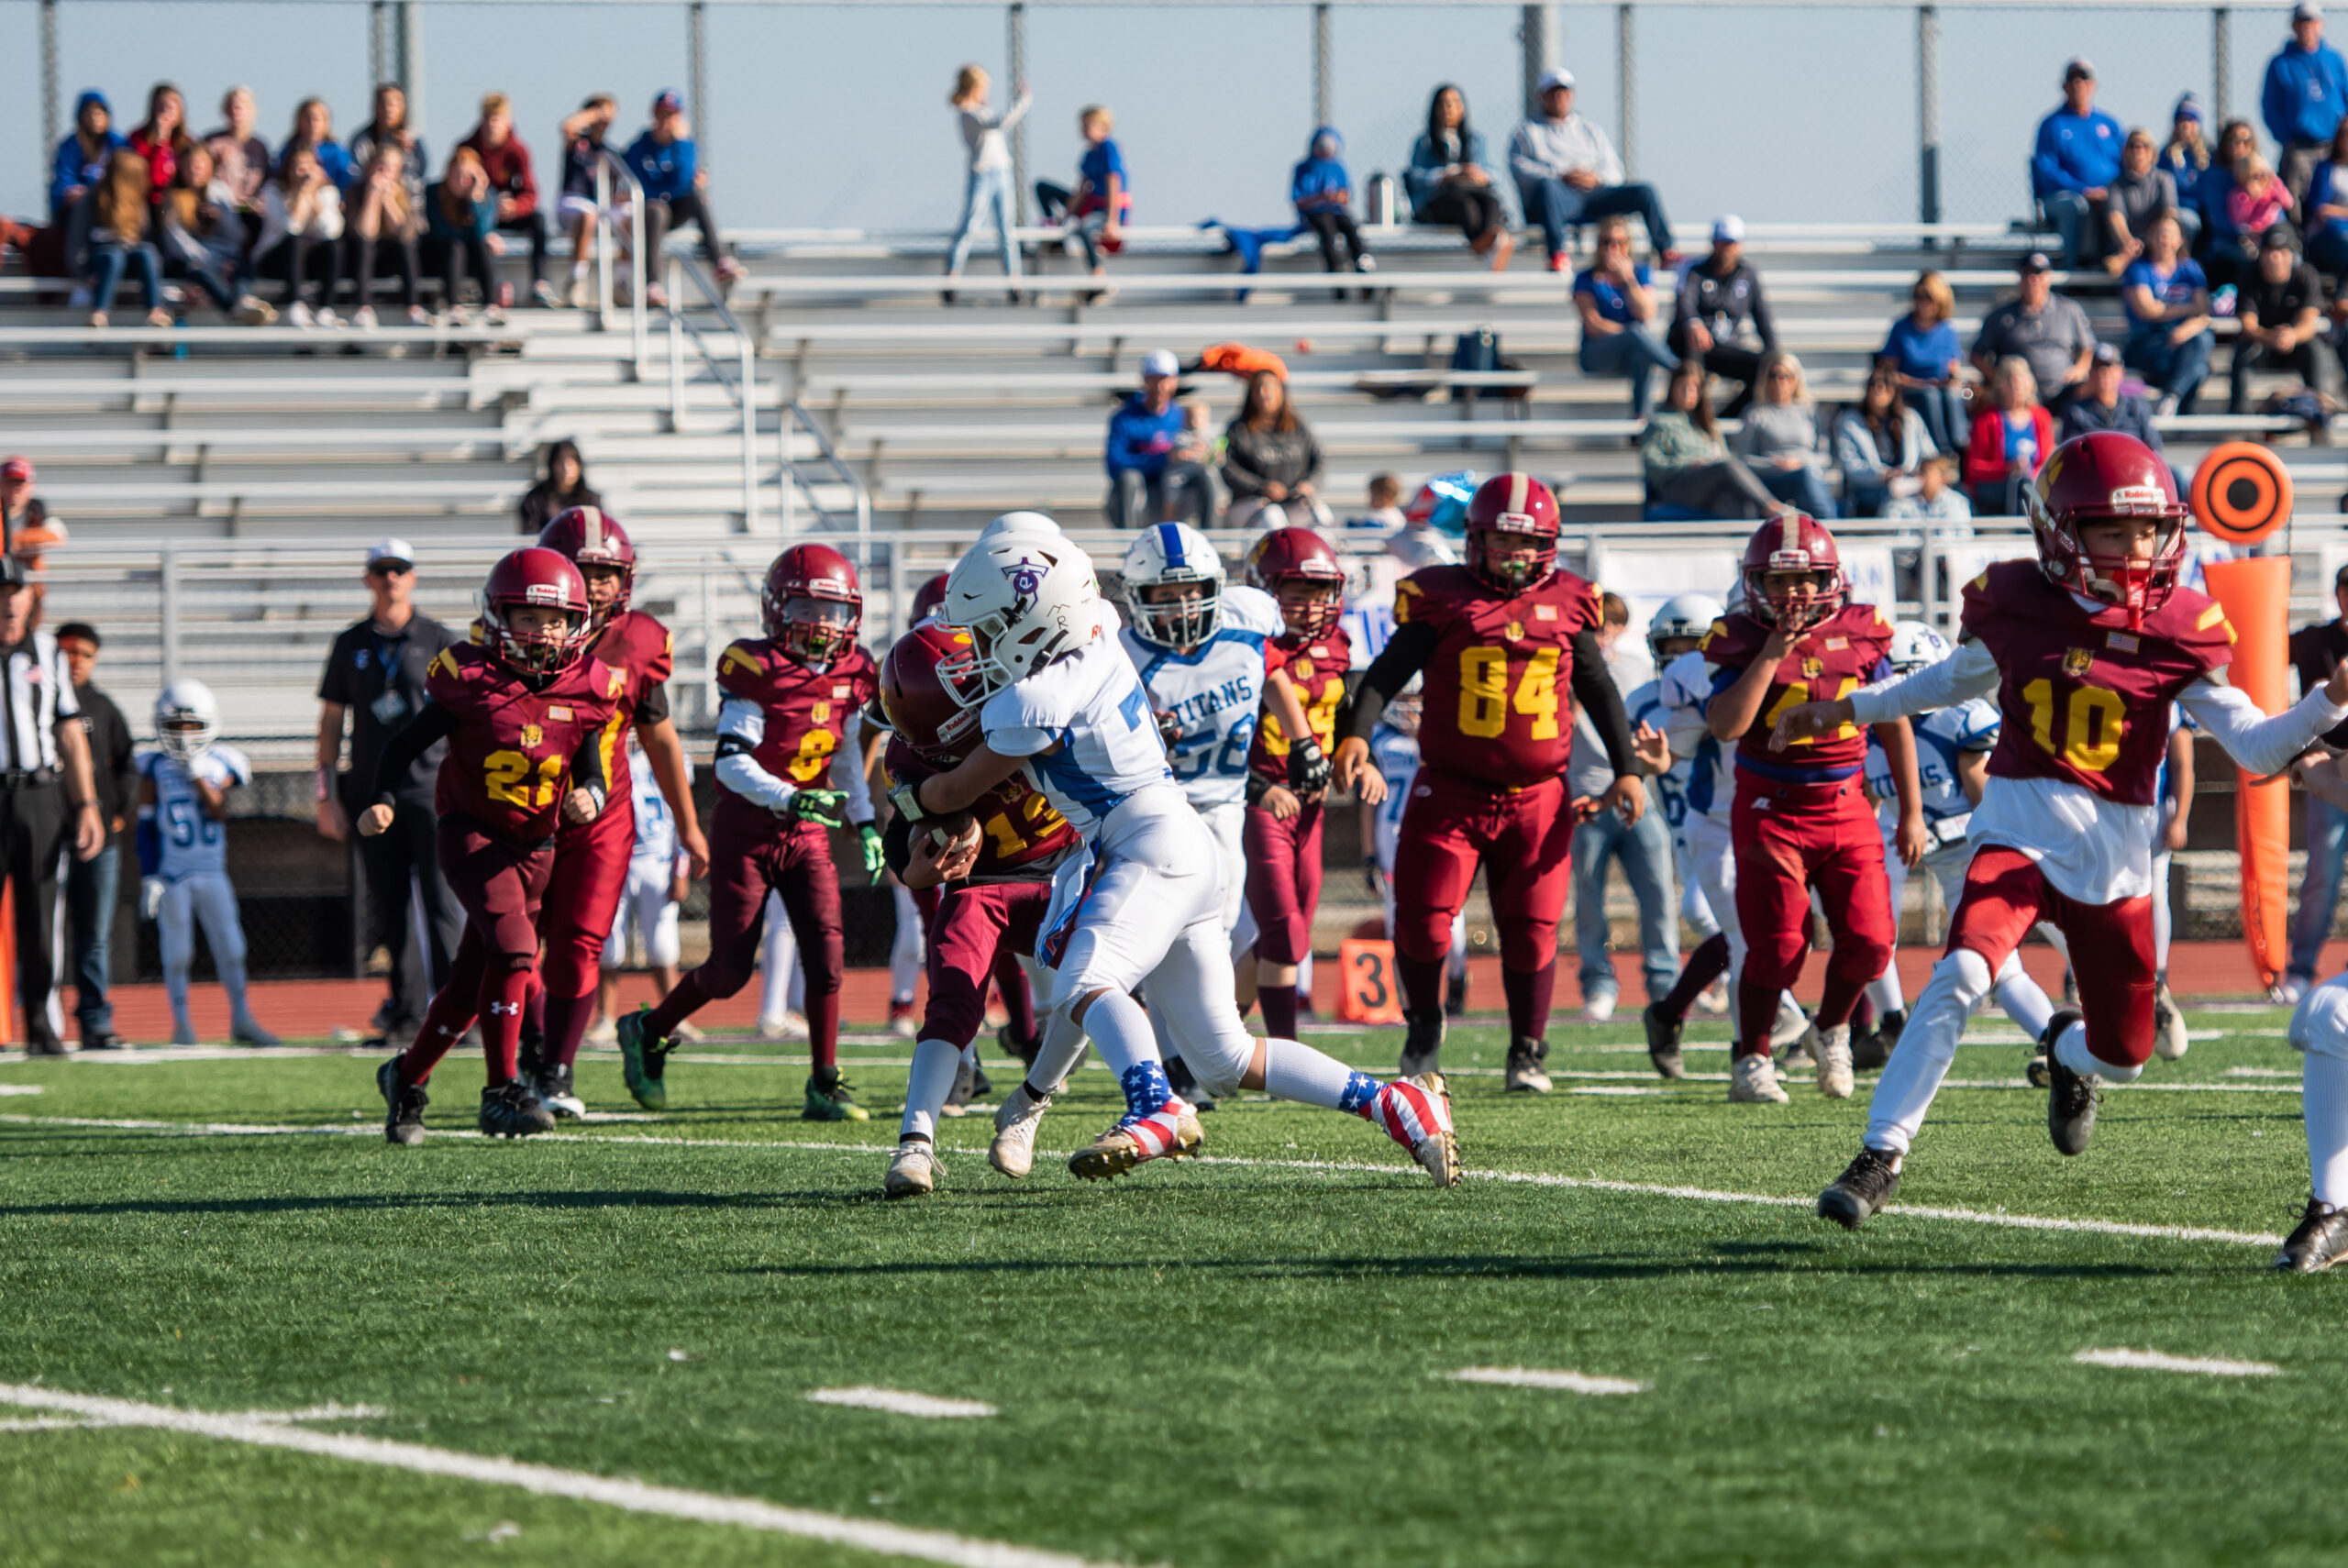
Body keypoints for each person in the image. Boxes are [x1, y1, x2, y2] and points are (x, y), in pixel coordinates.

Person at [1782, 433, 2348, 1233]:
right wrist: (1851, 709)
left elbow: (2256, 745)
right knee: (1963, 974)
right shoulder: (2015, 601)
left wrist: (2328, 699)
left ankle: (2069, 1059)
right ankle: (1880, 1155)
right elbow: (1950, 682)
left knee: (2126, 1053)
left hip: (2117, 855)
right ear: (2059, 532)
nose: (2134, 549)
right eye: (2112, 532)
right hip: (2017, 821)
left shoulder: (2181, 624)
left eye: (2148, 530)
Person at [897, 525, 1459, 1187]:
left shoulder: (1034, 699)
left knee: (1084, 984)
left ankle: (1155, 1104)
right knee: (1224, 1056)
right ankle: (1395, 1100)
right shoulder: (1098, 628)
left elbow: (956, 788)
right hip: (1182, 844)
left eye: (991, 629)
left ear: (1034, 621)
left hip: (1145, 847)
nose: (984, 648)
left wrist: (910, 797)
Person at [1333, 473, 1645, 1094]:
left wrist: (1629, 768)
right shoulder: (1442, 596)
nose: (1514, 555)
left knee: (1531, 928)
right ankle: (1424, 1028)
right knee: (1421, 921)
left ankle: (1527, 1049)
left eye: (1526, 543)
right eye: (1502, 541)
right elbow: (1388, 671)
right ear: (1475, 540)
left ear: (1548, 546)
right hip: (1450, 789)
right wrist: (1357, 733)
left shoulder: (1569, 599)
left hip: (1538, 795)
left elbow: (1598, 690)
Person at [615, 545, 880, 1121]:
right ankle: (650, 1028)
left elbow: (844, 765)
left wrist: (864, 821)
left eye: (834, 611)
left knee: (827, 958)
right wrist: (792, 795)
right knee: (729, 969)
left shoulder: (855, 672)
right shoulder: (755, 666)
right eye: (809, 606)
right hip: (749, 829)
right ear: (777, 609)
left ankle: (825, 1082)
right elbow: (732, 763)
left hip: (807, 830)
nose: (822, 623)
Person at [366, 547, 618, 1143]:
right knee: (514, 949)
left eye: (553, 620)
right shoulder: (468, 676)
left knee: (467, 987)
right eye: (527, 617)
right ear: (499, 618)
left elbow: (591, 768)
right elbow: (400, 748)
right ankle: (502, 1089)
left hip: (538, 845)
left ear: (575, 624)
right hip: (473, 835)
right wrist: (383, 798)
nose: (541, 631)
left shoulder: (587, 685)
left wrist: (592, 795)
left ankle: (405, 1078)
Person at [1698, 516, 1922, 1104]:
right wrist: (1772, 654)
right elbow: (1726, 726)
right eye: (1778, 579)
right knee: (1778, 947)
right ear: (1756, 582)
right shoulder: (1740, 635)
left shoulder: (1862, 629)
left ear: (1832, 579)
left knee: (1874, 941)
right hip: (1771, 807)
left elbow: (1894, 719)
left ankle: (1832, 1029)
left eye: (1806, 580)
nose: (1793, 593)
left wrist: (1912, 811)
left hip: (1847, 803)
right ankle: (1752, 1056)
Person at [870, 622, 1081, 1196]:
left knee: (1104, 984)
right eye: (970, 684)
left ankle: (1030, 1104)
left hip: (1066, 867)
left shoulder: (1035, 702)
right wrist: (924, 867)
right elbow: (903, 858)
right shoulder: (911, 760)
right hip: (982, 885)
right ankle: (915, 1143)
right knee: (952, 1004)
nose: (993, 685)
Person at [523, 507, 706, 1119]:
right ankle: (526, 1050)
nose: (597, 582)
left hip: (606, 811)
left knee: (580, 946)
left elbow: (659, 736)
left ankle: (558, 1068)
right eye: (584, 568)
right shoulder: (518, 630)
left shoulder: (640, 639)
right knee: (516, 942)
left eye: (607, 571)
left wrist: (689, 825)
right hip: (526, 805)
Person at [1855, 623, 2065, 1074]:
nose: (1901, 692)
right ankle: (2055, 1040)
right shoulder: (1873, 735)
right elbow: (1872, 802)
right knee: (1992, 968)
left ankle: (2103, 1018)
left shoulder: (1959, 719)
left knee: (2042, 945)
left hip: (1986, 855)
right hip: (1941, 861)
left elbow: (1990, 803)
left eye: (1909, 678)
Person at [1118, 520, 1312, 991]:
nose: (1182, 605)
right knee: (1156, 931)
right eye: (1165, 596)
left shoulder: (1244, 628)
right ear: (1140, 598)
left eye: (1191, 591)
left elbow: (1272, 672)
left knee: (1222, 926)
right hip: (1154, 810)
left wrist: (1303, 740)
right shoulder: (1120, 656)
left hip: (1224, 804)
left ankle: (1196, 1047)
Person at [316, 539, 461, 1049]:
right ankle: (405, 1012)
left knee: (445, 904)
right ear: (368, 578)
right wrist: (325, 793)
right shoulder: (349, 642)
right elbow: (332, 720)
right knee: (390, 906)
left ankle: (457, 1012)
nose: (391, 578)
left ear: (413, 577)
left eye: (399, 569)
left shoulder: (440, 638)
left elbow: (463, 714)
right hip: (370, 793)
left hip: (433, 789)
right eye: (382, 570)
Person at [1238, 528, 1350, 1043]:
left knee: (1281, 935)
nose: (1309, 606)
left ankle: (1217, 1040)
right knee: (1283, 931)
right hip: (1259, 802)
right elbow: (1221, 740)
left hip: (1310, 806)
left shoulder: (1337, 645)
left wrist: (1357, 754)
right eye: (1295, 593)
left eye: (1318, 592)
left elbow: (1345, 715)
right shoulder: (1242, 650)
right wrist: (1260, 786)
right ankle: (1286, 1054)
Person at [0, 558, 106, 1054]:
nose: (7, 599)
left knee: (40, 916)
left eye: (14, 590)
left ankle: (42, 1028)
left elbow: (69, 733)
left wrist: (86, 803)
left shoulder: (46, 651)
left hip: (38, 795)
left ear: (29, 596)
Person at [135, 679, 274, 1048]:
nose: (182, 735)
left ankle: (242, 1018)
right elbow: (145, 824)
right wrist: (150, 874)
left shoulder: (221, 761)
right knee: (177, 953)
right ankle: (181, 1025)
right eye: (174, 726)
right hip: (172, 874)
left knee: (232, 946)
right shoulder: (153, 766)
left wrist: (197, 774)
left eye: (191, 725)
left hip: (212, 869)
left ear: (208, 724)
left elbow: (218, 811)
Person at [1567, 591, 1675, 1024]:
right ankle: (1599, 984)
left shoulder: (1636, 669)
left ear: (1622, 629)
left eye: (1610, 625)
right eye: (1593, 627)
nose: (1602, 634)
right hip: (1586, 800)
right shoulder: (1563, 670)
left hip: (1637, 798)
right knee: (1589, 901)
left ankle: (1666, 986)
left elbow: (1652, 738)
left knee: (1659, 897)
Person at [1363, 678, 1470, 1016]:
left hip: (1438, 827)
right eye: (1404, 697)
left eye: (1416, 698)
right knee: (1397, 915)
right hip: (1392, 833)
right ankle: (1408, 997)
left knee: (1451, 911)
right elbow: (1366, 799)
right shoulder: (1377, 736)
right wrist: (1369, 853)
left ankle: (1456, 977)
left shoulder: (1446, 732)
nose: (1410, 706)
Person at [55, 624, 132, 1051]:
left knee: (94, 933)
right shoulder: (40, 699)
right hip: (48, 833)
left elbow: (127, 762)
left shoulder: (102, 707)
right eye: (67, 652)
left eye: (83, 653)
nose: (75, 661)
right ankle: (35, 1017)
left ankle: (95, 1019)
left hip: (97, 839)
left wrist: (117, 810)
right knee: (43, 931)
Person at [595, 731, 692, 1041]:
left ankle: (675, 1015)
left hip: (657, 860)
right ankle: (604, 1018)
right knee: (609, 947)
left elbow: (683, 816)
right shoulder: (605, 753)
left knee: (663, 946)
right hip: (614, 860)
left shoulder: (673, 756)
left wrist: (682, 868)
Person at [2282, 564, 2348, 1008]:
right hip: (2329, 766)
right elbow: (2264, 650)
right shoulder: (2312, 639)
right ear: (2337, 593)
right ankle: (2301, 969)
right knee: (2322, 874)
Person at [624, 90, 742, 293]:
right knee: (656, 210)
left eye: (671, 114)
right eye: (662, 114)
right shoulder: (638, 147)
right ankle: (652, 283)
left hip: (676, 208)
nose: (666, 120)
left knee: (696, 198)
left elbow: (685, 182)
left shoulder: (685, 145)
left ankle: (719, 261)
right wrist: (664, 192)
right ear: (653, 114)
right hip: (649, 213)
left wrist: (680, 142)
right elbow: (641, 186)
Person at [1642, 362, 1781, 520]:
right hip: (1676, 487)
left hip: (1709, 488)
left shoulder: (1708, 427)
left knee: (1741, 505)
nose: (1688, 392)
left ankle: (1747, 540)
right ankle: (1772, 507)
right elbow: (1652, 464)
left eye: (1693, 388)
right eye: (1683, 386)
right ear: (1672, 388)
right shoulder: (1660, 422)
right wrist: (1688, 464)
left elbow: (1723, 457)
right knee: (1727, 466)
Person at [1666, 216, 1774, 414]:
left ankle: (1723, 419)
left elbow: (1762, 317)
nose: (1726, 248)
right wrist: (1694, 324)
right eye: (1721, 242)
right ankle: (1686, 416)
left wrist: (1774, 354)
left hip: (1725, 346)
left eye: (1731, 243)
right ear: (1713, 243)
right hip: (1692, 344)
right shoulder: (1695, 269)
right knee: (1692, 352)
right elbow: (1685, 302)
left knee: (1767, 367)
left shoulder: (1748, 275)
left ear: (1740, 245)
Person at [1574, 216, 1677, 419]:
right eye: (1606, 242)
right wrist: (1630, 335)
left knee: (1643, 356)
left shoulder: (1640, 273)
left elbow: (1646, 313)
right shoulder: (1585, 278)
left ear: (1628, 245)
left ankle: (1640, 424)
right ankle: (1679, 370)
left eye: (1619, 243)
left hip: (1630, 354)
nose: (1613, 248)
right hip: (1596, 352)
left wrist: (1628, 280)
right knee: (1638, 336)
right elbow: (1593, 324)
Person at [460, 93, 553, 307]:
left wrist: (515, 207)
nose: (492, 125)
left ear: (508, 122)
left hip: (505, 213)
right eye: (488, 119)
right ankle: (473, 284)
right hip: (477, 213)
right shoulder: (467, 148)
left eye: (497, 119)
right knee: (464, 225)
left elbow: (531, 192)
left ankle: (540, 283)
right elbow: (455, 191)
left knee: (538, 220)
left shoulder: (518, 151)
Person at [1970, 250, 2096, 411]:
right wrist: (2001, 379)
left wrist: (2079, 368)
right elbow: (1977, 356)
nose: (2033, 279)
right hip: (2019, 397)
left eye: (2038, 273)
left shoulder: (2069, 310)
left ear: (2049, 276)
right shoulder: (2002, 316)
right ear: (2020, 278)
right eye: (2027, 273)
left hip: (2062, 389)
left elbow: (2088, 347)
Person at [1405, 84, 1512, 270]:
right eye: (1444, 104)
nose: (1449, 109)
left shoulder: (1475, 141)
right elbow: (1415, 176)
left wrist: (1479, 174)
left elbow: (1495, 174)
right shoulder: (1424, 143)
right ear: (1434, 109)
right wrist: (1447, 175)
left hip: (1474, 191)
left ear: (1462, 108)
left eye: (1454, 103)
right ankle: (1490, 245)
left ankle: (1488, 243)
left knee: (1491, 202)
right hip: (1439, 199)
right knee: (1466, 206)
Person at [945, 65, 1029, 297]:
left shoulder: (982, 110)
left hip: (1001, 172)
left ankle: (1014, 282)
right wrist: (1022, 102)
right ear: (973, 88)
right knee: (971, 224)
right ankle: (952, 277)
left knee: (1006, 228)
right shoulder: (968, 113)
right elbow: (999, 123)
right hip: (982, 174)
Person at [2120, 209, 2214, 414]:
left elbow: (2203, 311)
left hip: (2181, 343)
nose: (2164, 239)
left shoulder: (2190, 269)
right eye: (2159, 233)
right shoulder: (2139, 269)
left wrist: (2185, 330)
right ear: (2150, 237)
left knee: (2202, 342)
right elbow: (2148, 310)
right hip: (2147, 342)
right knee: (2199, 368)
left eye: (2170, 233)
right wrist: (2188, 309)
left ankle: (2172, 397)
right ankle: (2181, 413)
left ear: (2180, 239)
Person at [2032, 58, 2125, 266]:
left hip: (2109, 195)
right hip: (2065, 197)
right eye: (2073, 80)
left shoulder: (2110, 124)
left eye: (2084, 79)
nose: (2079, 85)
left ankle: (2121, 271)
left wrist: (2112, 191)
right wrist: (2084, 190)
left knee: (2126, 203)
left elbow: (2125, 164)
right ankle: (2074, 271)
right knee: (2076, 206)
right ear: (2064, 86)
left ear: (2094, 85)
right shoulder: (2052, 125)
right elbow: (2046, 170)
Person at [1103, 350, 1211, 530]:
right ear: (1145, 380)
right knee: (1129, 479)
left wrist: (1199, 453)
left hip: (1175, 493)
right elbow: (1115, 464)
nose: (1161, 386)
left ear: (1175, 381)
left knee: (1205, 478)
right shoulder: (1124, 418)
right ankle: (1127, 544)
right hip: (1141, 495)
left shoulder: (1182, 416)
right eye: (1155, 379)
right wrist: (1164, 459)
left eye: (1166, 379)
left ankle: (1210, 543)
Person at [1222, 370, 1331, 531]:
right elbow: (1226, 467)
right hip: (1252, 504)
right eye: (1257, 388)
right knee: (1272, 518)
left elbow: (1319, 460)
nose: (1262, 393)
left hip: (1291, 502)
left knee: (1320, 514)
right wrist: (1260, 487)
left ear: (1281, 391)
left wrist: (1309, 484)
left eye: (1268, 387)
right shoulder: (1237, 429)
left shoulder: (1298, 427)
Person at [1733, 351, 1837, 519]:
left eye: (1785, 376)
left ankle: (1825, 527)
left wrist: (1799, 463)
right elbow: (1743, 460)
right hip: (1771, 480)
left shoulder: (1811, 411)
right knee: (1807, 479)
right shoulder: (1756, 413)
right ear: (1765, 379)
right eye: (1773, 376)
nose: (1779, 382)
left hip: (1806, 473)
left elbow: (1825, 457)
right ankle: (1829, 527)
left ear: (1795, 379)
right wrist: (1774, 463)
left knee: (1809, 476)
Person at [2232, 228, 2325, 412]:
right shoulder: (2249, 275)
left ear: (2291, 255)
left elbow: (2308, 322)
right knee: (2244, 351)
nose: (2275, 258)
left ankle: (2318, 410)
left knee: (2314, 349)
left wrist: (2291, 336)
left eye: (2281, 252)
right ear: (2261, 254)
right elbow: (2248, 325)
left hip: (2296, 343)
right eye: (2269, 251)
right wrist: (2271, 337)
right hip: (2262, 343)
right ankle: (2238, 412)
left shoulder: (2306, 274)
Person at [2265, 0, 2348, 208]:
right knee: (2295, 200)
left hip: (2333, 146)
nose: (2307, 26)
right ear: (2293, 25)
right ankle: (2297, 239)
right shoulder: (2282, 63)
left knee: (2331, 198)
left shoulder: (2334, 59)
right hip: (2299, 146)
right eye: (2302, 21)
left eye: (2311, 21)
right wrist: (2285, 137)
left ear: (2321, 24)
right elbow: (2270, 105)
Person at [1033, 105, 1127, 279]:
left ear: (1102, 126)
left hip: (1105, 209)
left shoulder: (1109, 147)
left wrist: (1113, 220)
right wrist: (1064, 218)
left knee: (1084, 228)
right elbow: (1082, 190)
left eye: (1087, 125)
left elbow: (1114, 183)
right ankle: (1055, 239)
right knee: (1042, 187)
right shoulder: (1088, 154)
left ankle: (1097, 273)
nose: (1082, 129)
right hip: (1089, 205)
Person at [254, 144, 344, 327]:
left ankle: (325, 308)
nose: (302, 172)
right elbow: (291, 228)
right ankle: (296, 305)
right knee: (295, 241)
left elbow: (330, 231)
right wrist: (302, 193)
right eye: (297, 166)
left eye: (307, 166)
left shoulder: (328, 192)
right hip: (275, 259)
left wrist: (314, 198)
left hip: (308, 262)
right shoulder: (273, 191)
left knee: (334, 247)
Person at [1881, 271, 1969, 457]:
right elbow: (1888, 374)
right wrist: (1920, 383)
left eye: (1927, 297)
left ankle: (1960, 445)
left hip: (1940, 391)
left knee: (1952, 395)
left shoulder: (1947, 331)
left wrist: (1950, 382)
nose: (1921, 302)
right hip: (1911, 390)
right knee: (1930, 395)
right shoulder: (1901, 329)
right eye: (1917, 296)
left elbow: (1953, 371)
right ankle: (1940, 450)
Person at [1834, 360, 1934, 517]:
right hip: (1869, 488)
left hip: (1909, 484)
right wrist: (1883, 475)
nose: (1879, 390)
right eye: (1874, 384)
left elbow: (1929, 455)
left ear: (1895, 390)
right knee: (1895, 496)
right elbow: (1851, 467)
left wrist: (1918, 474)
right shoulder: (1849, 422)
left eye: (1886, 385)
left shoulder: (1910, 419)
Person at [82, 151, 170, 330]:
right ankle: (99, 313)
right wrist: (83, 273)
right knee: (114, 255)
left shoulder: (142, 205)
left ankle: (155, 312)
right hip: (103, 258)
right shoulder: (93, 199)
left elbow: (148, 238)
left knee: (146, 252)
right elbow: (77, 242)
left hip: (131, 256)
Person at [1963, 356, 2056, 515]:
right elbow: (1975, 468)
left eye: (2021, 379)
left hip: (2033, 484)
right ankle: (2024, 535)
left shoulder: (2041, 417)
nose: (2017, 385)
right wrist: (2008, 469)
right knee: (2023, 487)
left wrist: (2032, 473)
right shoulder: (1987, 419)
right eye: (2011, 380)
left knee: (2030, 486)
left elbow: (2047, 461)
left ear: (2030, 384)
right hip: (1995, 486)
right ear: (2000, 385)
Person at [345, 142, 424, 328]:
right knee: (365, 247)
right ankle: (364, 308)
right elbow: (365, 234)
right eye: (380, 165)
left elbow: (405, 234)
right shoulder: (355, 192)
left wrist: (388, 200)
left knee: (407, 248)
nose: (384, 171)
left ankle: (414, 307)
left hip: (393, 260)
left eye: (390, 167)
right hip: (361, 259)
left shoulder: (406, 192)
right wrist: (373, 195)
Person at [555, 95, 619, 308]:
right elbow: (567, 127)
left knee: (630, 214)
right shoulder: (578, 142)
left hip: (602, 207)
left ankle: (625, 282)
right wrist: (596, 112)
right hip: (573, 201)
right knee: (588, 213)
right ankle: (576, 280)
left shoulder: (611, 153)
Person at [427, 146, 503, 316]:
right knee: (456, 246)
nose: (462, 181)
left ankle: (490, 305)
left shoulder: (487, 196)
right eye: (457, 175)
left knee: (481, 247)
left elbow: (481, 234)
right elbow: (440, 232)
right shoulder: (434, 192)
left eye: (468, 177)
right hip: (440, 257)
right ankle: (453, 305)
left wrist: (474, 200)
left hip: (472, 259)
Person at [1292, 126, 1371, 282]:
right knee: (1327, 231)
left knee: (1350, 227)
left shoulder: (1337, 168)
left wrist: (1335, 198)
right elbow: (1299, 200)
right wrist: (1321, 197)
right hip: (1316, 214)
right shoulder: (1303, 169)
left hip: (1336, 212)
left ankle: (1362, 263)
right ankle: (1335, 270)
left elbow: (1345, 197)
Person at [2104, 127, 2187, 271]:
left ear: (2153, 154)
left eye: (2145, 146)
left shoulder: (2165, 179)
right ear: (2125, 152)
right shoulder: (2116, 185)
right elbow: (2115, 217)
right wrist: (2129, 242)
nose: (2139, 150)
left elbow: (2169, 214)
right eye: (2133, 146)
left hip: (2159, 242)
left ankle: (2182, 265)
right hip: (2129, 244)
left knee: (2187, 220)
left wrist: (2152, 241)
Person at [2061, 341, 2164, 451]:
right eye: (2098, 367)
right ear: (2091, 374)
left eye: (2110, 366)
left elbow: (2155, 449)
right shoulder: (2077, 413)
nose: (2105, 372)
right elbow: (2070, 453)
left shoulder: (2138, 407)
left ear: (2121, 372)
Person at [203, 86, 270, 255]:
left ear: (252, 110)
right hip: (221, 207)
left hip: (247, 208)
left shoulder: (259, 146)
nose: (236, 111)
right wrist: (215, 163)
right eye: (231, 106)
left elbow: (268, 181)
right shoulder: (211, 141)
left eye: (241, 106)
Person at [346, 83, 427, 216]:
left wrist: (407, 152)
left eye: (394, 104)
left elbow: (419, 174)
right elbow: (356, 172)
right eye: (383, 103)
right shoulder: (362, 140)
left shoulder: (413, 140)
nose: (388, 109)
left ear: (403, 107)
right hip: (370, 195)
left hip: (404, 198)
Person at [51, 90, 122, 222]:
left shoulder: (118, 144)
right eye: (89, 113)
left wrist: (97, 192)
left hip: (112, 205)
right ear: (80, 117)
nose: (94, 118)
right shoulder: (70, 146)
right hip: (78, 209)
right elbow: (63, 181)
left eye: (99, 113)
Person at [517, 439, 604, 535]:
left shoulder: (591, 499)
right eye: (560, 462)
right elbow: (530, 537)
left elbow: (599, 533)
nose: (566, 468)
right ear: (552, 465)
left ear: (579, 466)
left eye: (571, 462)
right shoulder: (535, 500)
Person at [126, 83, 189, 206]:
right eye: (162, 104)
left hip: (178, 202)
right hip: (145, 200)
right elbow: (154, 178)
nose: (168, 109)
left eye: (174, 104)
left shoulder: (187, 142)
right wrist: (161, 141)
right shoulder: (137, 138)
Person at [2159, 94, 2216, 231]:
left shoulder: (2211, 153)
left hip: (2205, 210)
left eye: (2190, 120)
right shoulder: (2166, 155)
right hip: (2176, 210)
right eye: (2181, 120)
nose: (2185, 125)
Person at [2305, 116, 2348, 278]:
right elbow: (2320, 210)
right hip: (2328, 236)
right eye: (2344, 133)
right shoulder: (2326, 169)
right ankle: (2343, 300)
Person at [278, 97, 350, 188]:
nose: (312, 124)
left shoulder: (336, 151)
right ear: (299, 121)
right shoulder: (289, 149)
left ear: (326, 122)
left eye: (316, 119)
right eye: (307, 119)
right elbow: (278, 174)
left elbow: (345, 179)